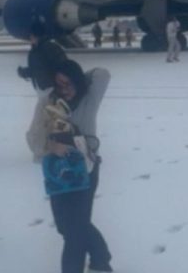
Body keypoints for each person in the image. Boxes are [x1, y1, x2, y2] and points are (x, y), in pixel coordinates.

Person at [42, 60, 113, 273]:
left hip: (86, 170)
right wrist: (50, 145)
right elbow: (38, 133)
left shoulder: (89, 99)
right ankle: (101, 255)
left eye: (68, 83)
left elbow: (102, 73)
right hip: (59, 172)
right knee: (66, 226)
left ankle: (82, 266)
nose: (65, 89)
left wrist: (75, 76)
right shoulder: (51, 101)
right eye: (60, 84)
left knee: (76, 229)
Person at [18, 22, 68, 161]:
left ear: (35, 35)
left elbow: (58, 69)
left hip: (50, 95)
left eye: (31, 36)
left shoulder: (45, 49)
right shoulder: (39, 50)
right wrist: (26, 73)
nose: (30, 39)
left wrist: (57, 89)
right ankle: (49, 153)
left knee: (38, 130)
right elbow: (39, 70)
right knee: (47, 128)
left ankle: (42, 156)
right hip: (45, 94)